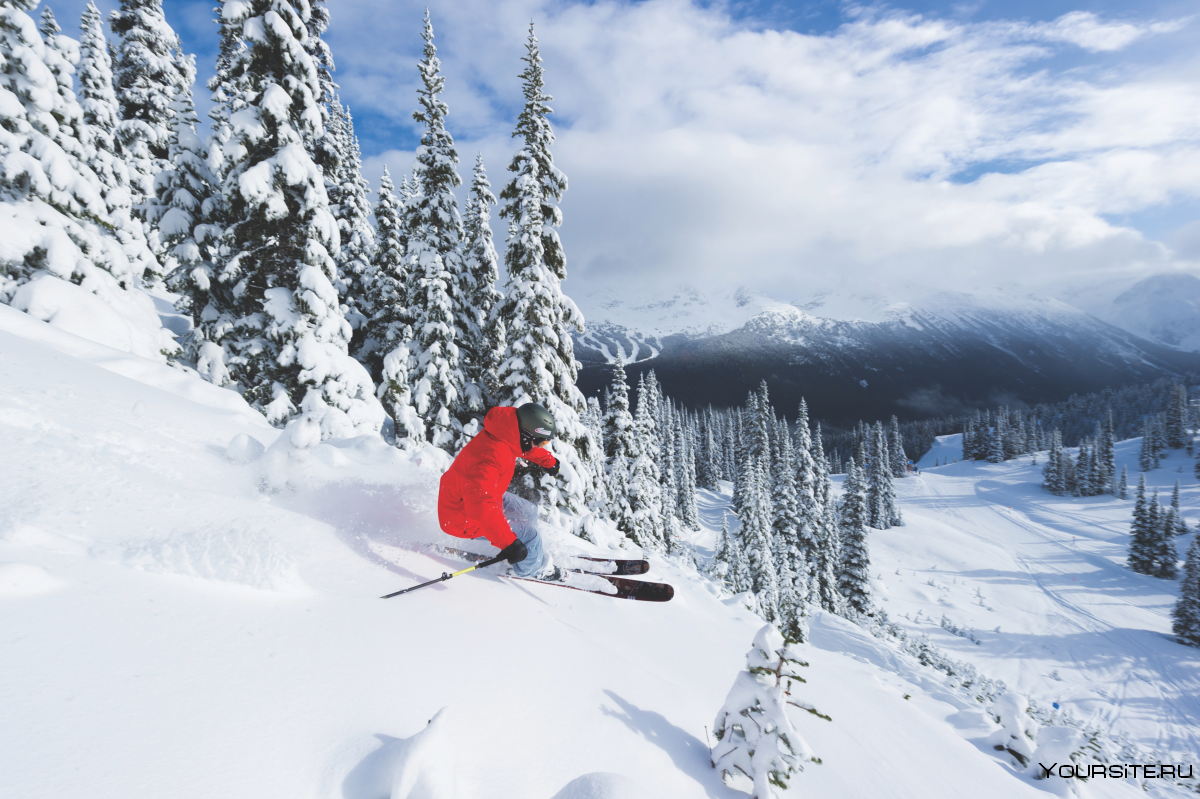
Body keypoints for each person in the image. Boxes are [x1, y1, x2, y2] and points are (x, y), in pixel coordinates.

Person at [437, 402, 563, 580]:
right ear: (526, 435)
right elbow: (483, 508)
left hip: (469, 496)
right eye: (540, 442)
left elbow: (521, 447)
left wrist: (548, 461)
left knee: (529, 511)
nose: (539, 446)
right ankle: (533, 569)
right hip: (463, 517)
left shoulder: (505, 433)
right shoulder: (490, 460)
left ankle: (526, 549)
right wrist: (509, 544)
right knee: (532, 536)